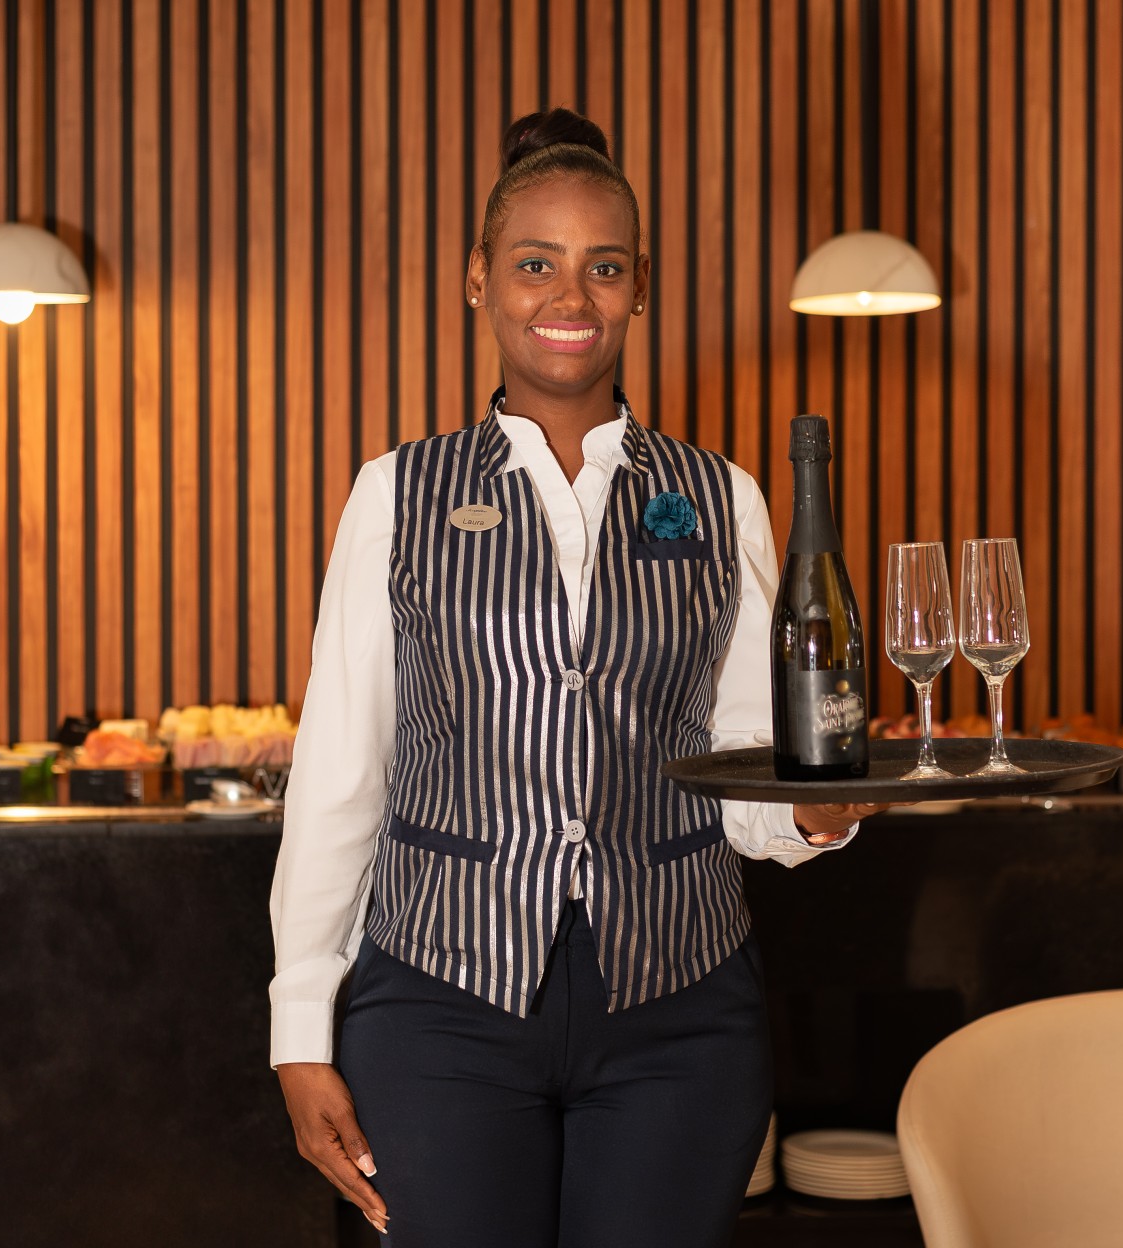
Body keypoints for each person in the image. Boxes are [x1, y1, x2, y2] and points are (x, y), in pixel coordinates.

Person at [269, 108, 880, 1247]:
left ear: (640, 285)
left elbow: (753, 770)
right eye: (534, 265)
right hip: (440, 1005)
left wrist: (817, 816)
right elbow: (341, 775)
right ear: (477, 280)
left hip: (681, 1015)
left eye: (602, 269)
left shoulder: (720, 496)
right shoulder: (394, 495)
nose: (569, 298)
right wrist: (300, 1024)